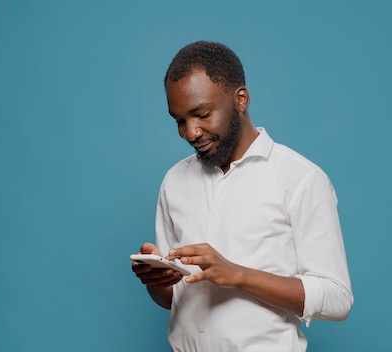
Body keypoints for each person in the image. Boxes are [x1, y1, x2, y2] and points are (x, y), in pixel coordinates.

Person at [131, 40, 353, 351]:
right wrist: (158, 282)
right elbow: (173, 300)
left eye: (202, 114)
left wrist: (238, 275)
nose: (191, 132)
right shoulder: (175, 181)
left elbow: (338, 298)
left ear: (241, 99)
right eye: (180, 121)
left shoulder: (301, 179)